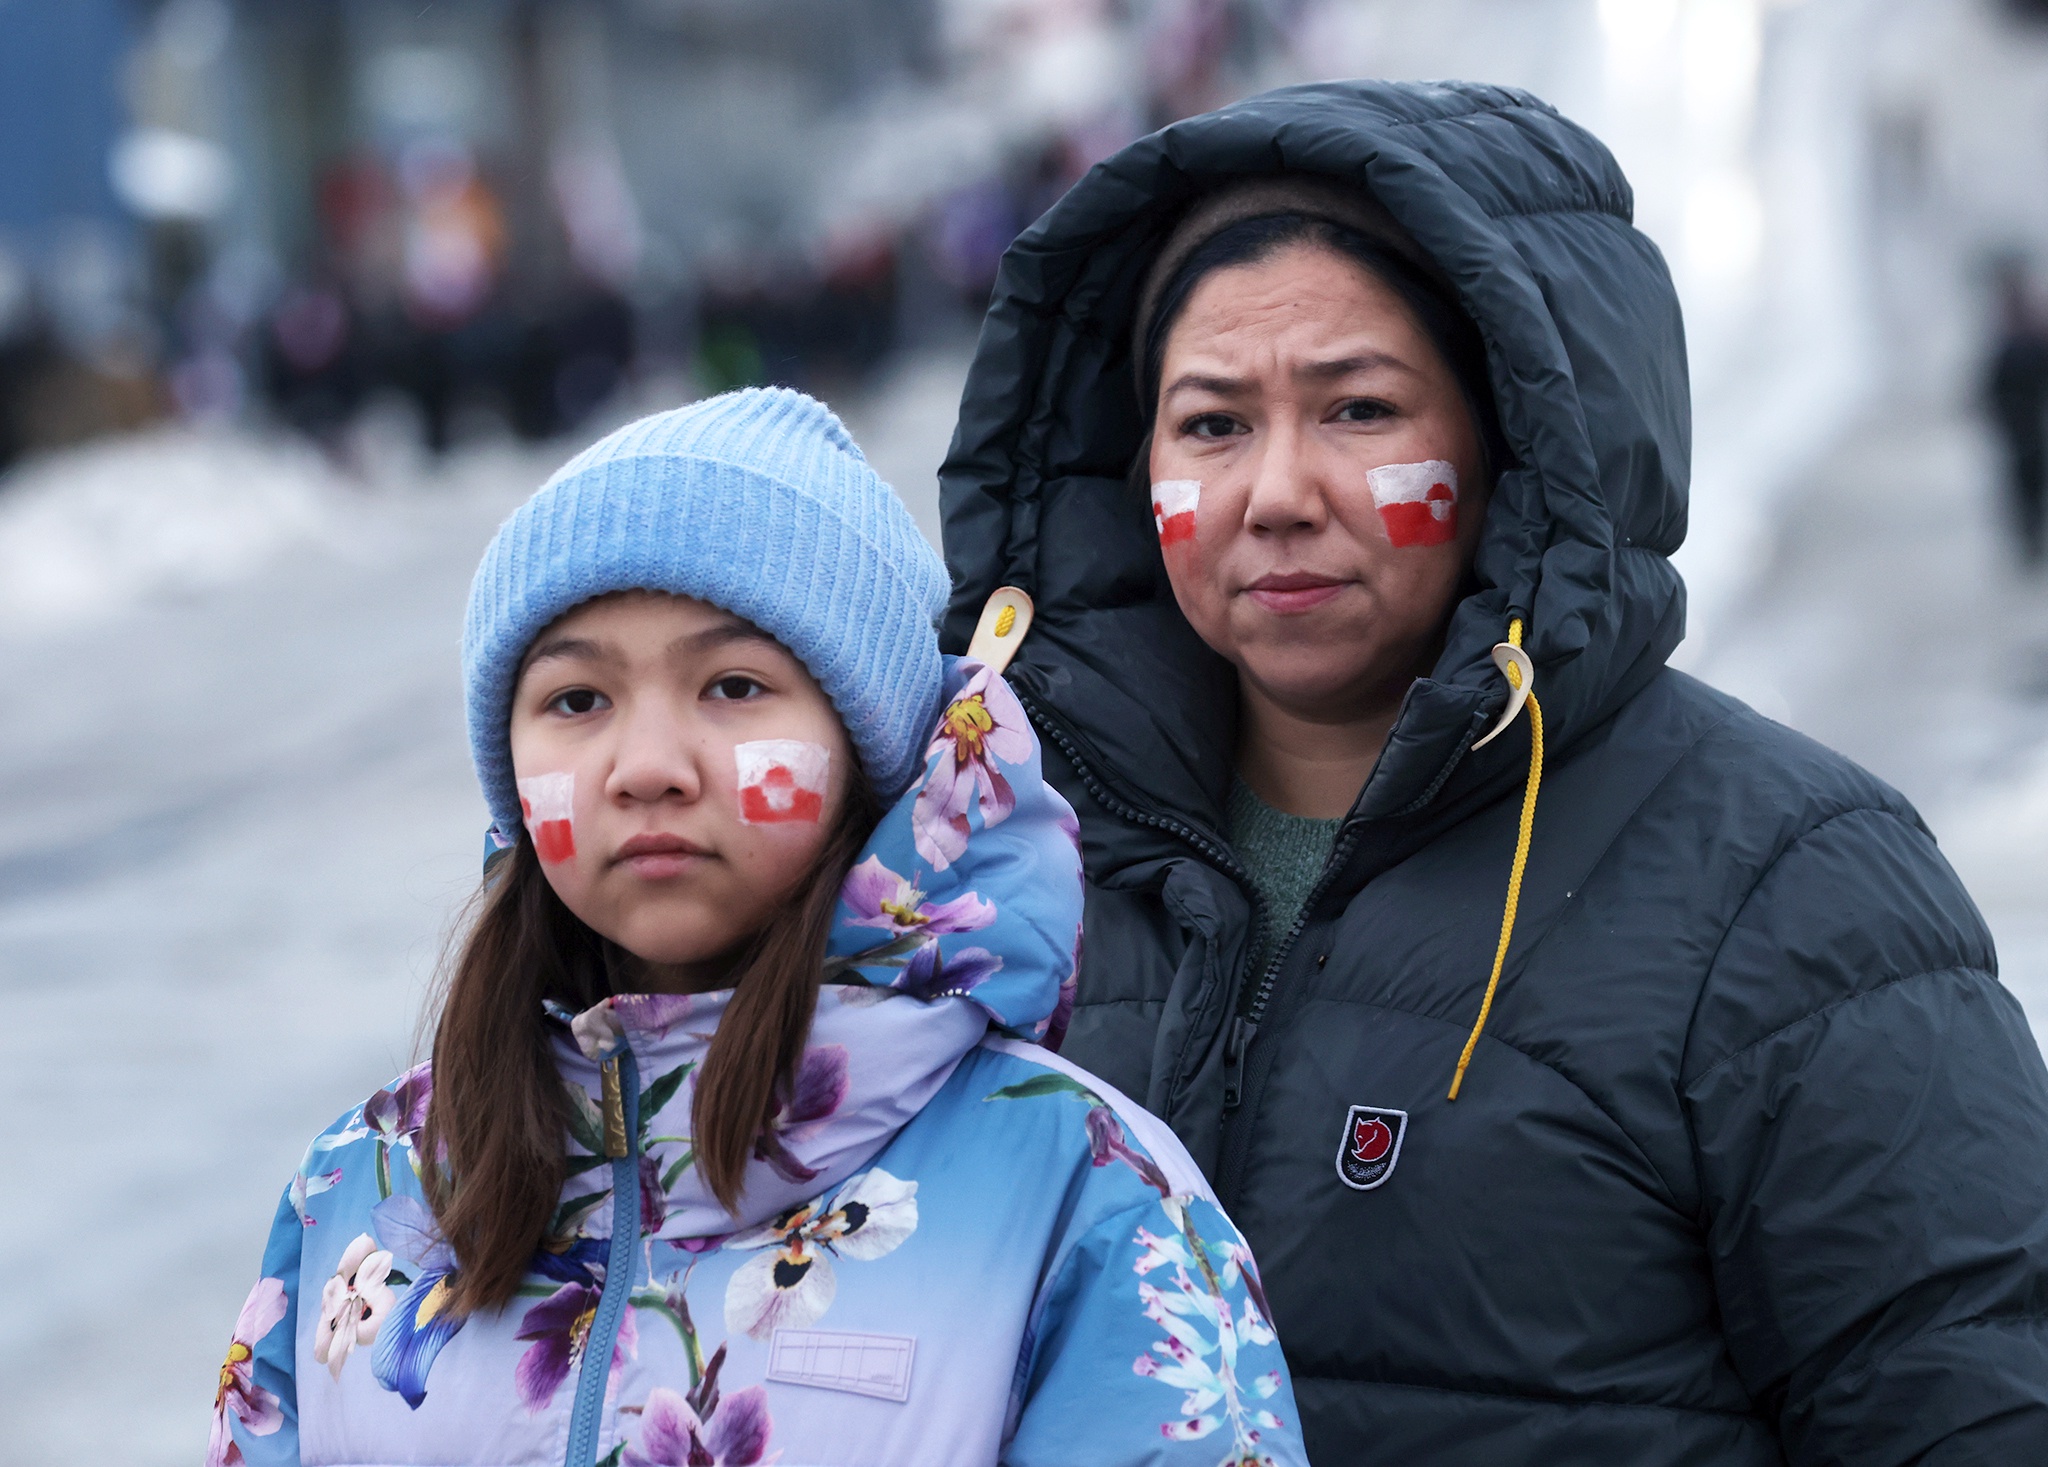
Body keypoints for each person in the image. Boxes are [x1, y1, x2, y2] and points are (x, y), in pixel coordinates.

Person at [939, 81, 2048, 1464]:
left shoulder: (1794, 889)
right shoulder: (982, 864)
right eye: (1211, 424)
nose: (1275, 490)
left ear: (1519, 445)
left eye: (1360, 408)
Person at [207, 388, 1306, 1467]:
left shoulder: (1086, 1192)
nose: (645, 768)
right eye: (575, 701)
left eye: (733, 686)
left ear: (872, 756)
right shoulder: (357, 1190)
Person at [1984, 258, 2048, 571]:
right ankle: (2032, 543)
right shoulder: (2007, 345)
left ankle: (2040, 541)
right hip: (2021, 428)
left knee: (2039, 487)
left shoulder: (2033, 341)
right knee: (2025, 489)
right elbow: (1990, 388)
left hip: (2036, 427)